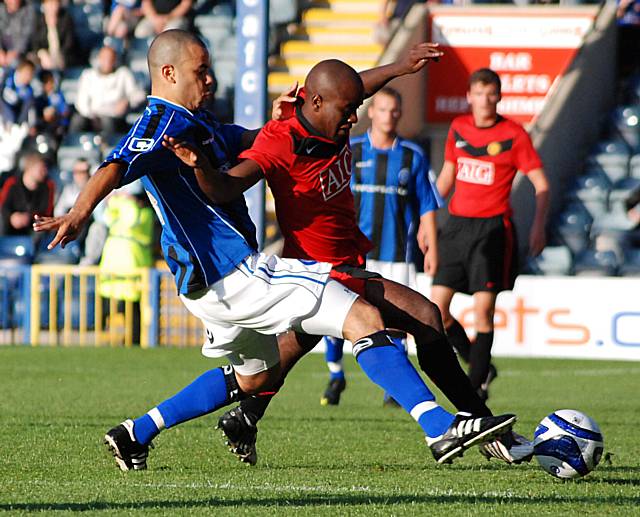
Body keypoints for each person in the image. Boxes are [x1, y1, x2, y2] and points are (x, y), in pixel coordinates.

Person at [33, 30, 516, 471]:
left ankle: (134, 433)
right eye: (201, 71)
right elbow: (117, 167)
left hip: (206, 289)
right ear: (168, 73)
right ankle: (440, 428)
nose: (210, 77)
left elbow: (261, 134)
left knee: (254, 379)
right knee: (366, 318)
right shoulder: (163, 125)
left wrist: (280, 119)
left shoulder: (202, 124)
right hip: (236, 273)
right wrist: (79, 213)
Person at [164, 55, 526, 466]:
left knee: (274, 361)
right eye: (347, 110)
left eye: (356, 107)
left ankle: (224, 418)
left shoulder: (327, 108)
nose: (354, 119)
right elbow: (227, 188)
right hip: (320, 270)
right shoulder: (282, 139)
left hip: (343, 257)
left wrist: (399, 68)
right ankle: (477, 426)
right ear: (316, 102)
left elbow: (352, 86)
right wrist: (200, 166)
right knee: (425, 317)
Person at [430, 68, 550, 402]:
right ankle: (480, 365)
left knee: (483, 312)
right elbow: (446, 179)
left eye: (490, 93)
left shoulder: (513, 134)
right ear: (469, 96)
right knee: (436, 310)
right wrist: (424, 218)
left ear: (498, 97)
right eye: (478, 93)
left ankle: (475, 387)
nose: (484, 100)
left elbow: (541, 184)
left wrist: (538, 225)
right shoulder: (458, 129)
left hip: (492, 230)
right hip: (455, 226)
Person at [320, 86, 443, 407]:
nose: (388, 116)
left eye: (394, 110)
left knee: (399, 321)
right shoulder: (352, 150)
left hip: (396, 254)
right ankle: (335, 375)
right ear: (371, 112)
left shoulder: (411, 156)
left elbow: (427, 204)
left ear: (399, 114)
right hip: (351, 253)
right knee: (334, 316)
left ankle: (393, 389)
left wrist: (431, 246)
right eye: (383, 109)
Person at [99, 181, 154, 345]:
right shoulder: (124, 209)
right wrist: (114, 199)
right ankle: (104, 339)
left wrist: (120, 199)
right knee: (107, 309)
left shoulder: (145, 213)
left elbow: (130, 219)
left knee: (132, 312)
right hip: (112, 267)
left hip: (132, 267)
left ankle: (134, 341)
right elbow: (106, 217)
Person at [70, 45, 146, 139]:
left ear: (115, 60)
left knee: (108, 122)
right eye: (105, 58)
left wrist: (127, 101)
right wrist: (92, 115)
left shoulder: (123, 74)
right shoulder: (88, 75)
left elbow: (139, 95)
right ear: (99, 59)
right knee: (77, 121)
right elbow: (81, 101)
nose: (108, 62)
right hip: (91, 116)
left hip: (113, 117)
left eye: (111, 59)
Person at [0, 152, 55, 237]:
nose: (44, 171)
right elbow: (3, 206)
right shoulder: (12, 183)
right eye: (41, 168)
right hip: (10, 225)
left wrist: (28, 218)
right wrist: (11, 217)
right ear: (30, 168)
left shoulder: (48, 186)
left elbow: (48, 212)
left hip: (33, 226)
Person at [30, 0, 84, 71]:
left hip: (62, 56)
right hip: (44, 57)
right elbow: (35, 42)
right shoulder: (38, 20)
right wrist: (42, 53)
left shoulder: (66, 19)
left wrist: (59, 56)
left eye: (55, 4)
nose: (52, 7)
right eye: (49, 4)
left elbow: (69, 43)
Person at [0, 0, 37, 68]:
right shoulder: (1, 9)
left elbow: (27, 34)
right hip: (3, 52)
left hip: (21, 53)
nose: (14, 1)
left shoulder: (28, 9)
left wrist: (16, 51)